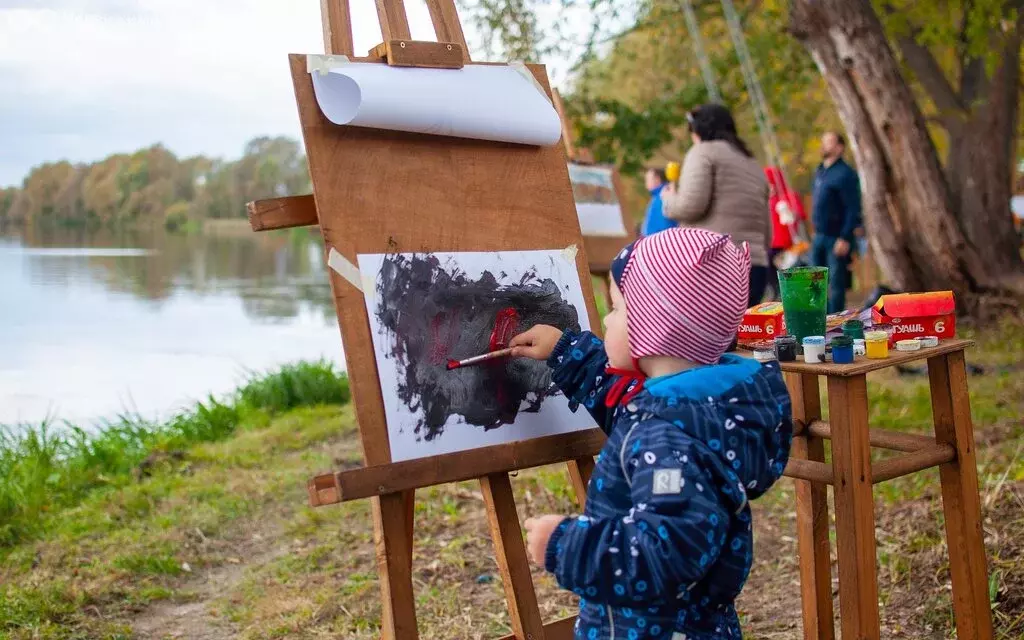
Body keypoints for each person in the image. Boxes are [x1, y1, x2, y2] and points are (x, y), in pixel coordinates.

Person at [510, 227, 793, 640]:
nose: (606, 319)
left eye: (618, 308)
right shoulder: (693, 407)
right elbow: (629, 405)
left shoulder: (667, 437)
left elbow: (663, 554)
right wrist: (565, 352)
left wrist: (566, 545)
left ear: (652, 327)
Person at [661, 104, 770, 306]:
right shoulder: (752, 163)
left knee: (708, 338)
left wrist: (668, 199)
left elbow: (690, 207)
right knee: (745, 336)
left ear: (698, 130)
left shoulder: (703, 152)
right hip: (756, 267)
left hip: (716, 268)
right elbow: (766, 229)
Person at [811, 131, 861, 313]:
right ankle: (818, 318)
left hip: (836, 238)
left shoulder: (846, 174)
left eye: (829, 142)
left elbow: (853, 208)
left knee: (835, 283)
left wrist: (845, 237)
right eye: (823, 141)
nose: (824, 145)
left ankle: (835, 321)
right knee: (814, 283)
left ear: (840, 147)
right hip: (818, 236)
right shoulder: (820, 171)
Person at [765, 166, 807, 299]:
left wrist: (790, 213)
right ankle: (776, 289)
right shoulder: (768, 199)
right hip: (771, 242)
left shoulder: (787, 196)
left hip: (787, 242)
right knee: (768, 265)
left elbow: (799, 214)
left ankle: (785, 291)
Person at [640, 167, 676, 236]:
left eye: (648, 180)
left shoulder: (665, 194)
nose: (646, 184)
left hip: (662, 240)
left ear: (657, 179)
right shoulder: (656, 196)